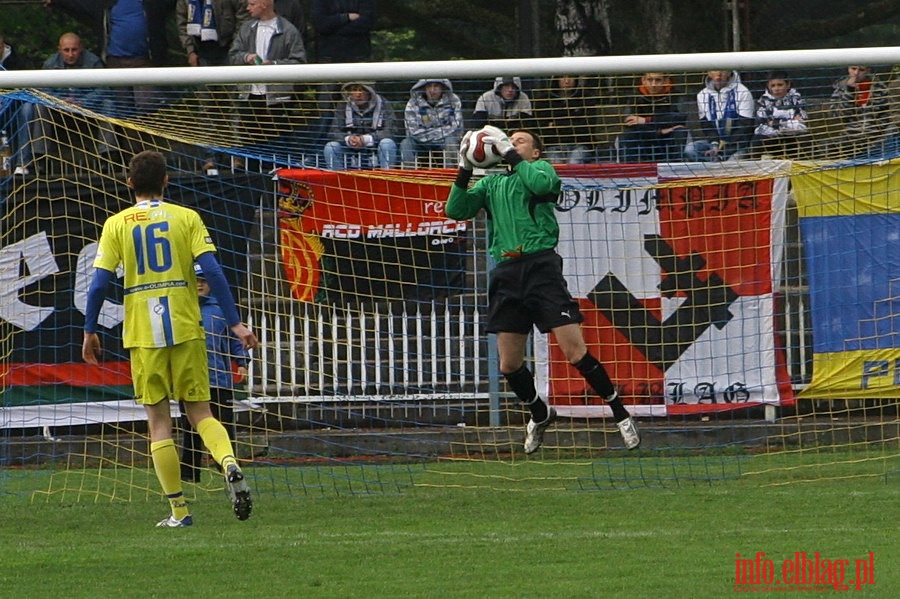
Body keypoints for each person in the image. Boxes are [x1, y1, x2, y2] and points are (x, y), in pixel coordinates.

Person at [82, 150, 259, 527]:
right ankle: (228, 463)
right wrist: (236, 324)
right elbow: (214, 270)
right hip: (185, 325)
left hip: (145, 334)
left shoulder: (116, 224)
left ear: (129, 183)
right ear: (167, 181)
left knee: (159, 422)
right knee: (200, 413)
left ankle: (179, 511)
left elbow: (99, 283)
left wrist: (90, 329)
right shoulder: (186, 217)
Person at [444, 126, 641, 454]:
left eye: (520, 141)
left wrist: (509, 153)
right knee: (509, 364)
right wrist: (465, 167)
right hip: (505, 273)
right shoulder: (490, 183)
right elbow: (456, 210)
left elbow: (542, 184)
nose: (512, 143)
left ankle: (620, 414)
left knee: (574, 351)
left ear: (535, 152)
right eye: (510, 140)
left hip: (540, 268)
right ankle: (539, 412)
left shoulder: (540, 170)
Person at [179, 263, 250, 483]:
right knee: (190, 429)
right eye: (195, 280)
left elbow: (233, 341)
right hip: (190, 379)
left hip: (219, 380)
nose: (199, 284)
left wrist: (242, 362)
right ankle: (190, 474)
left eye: (204, 280)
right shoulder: (181, 308)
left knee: (225, 425)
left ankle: (228, 468)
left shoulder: (220, 310)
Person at [43, 0, 174, 114]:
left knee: (148, 106)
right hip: (114, 62)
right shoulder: (106, 3)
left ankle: (148, 142)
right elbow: (80, 5)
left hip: (143, 61)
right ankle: (126, 142)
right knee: (122, 109)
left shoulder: (152, 2)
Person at [15, 33, 116, 176]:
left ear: (81, 48)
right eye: (66, 50)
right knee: (39, 107)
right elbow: (44, 90)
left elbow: (103, 89)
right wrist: (60, 101)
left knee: (108, 104)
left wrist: (83, 102)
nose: (70, 54)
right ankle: (40, 158)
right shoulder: (50, 64)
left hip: (88, 108)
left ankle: (107, 157)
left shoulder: (94, 62)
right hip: (58, 109)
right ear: (59, 49)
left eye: (74, 50)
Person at [228, 0, 307, 171]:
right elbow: (233, 55)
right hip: (249, 96)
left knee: (277, 146)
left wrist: (275, 65)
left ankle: (279, 187)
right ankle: (253, 186)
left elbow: (299, 61)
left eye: (252, 4)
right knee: (251, 145)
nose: (247, 8)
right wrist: (245, 58)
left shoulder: (288, 30)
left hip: (277, 99)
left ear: (264, 4)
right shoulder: (246, 29)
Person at [176, 0, 250, 172]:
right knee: (207, 108)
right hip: (202, 54)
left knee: (233, 107)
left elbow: (242, 18)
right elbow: (182, 23)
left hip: (227, 51)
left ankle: (236, 155)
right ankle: (210, 157)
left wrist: (235, 49)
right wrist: (190, 51)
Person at [683, 69, 755, 162]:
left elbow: (745, 127)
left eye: (723, 70)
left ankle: (718, 161)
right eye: (715, 70)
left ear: (729, 73)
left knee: (732, 163)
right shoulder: (702, 95)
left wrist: (722, 152)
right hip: (716, 144)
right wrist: (714, 145)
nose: (719, 74)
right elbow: (706, 125)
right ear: (709, 73)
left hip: (737, 145)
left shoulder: (743, 92)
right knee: (690, 150)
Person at [323, 81, 397, 169]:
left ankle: (386, 180)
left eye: (363, 90)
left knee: (387, 143)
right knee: (331, 147)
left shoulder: (383, 104)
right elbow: (333, 131)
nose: (358, 94)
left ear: (370, 92)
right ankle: (337, 181)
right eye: (354, 90)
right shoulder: (343, 105)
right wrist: (349, 139)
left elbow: (391, 131)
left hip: (375, 147)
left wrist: (365, 139)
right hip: (350, 148)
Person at [617, 72, 687, 163]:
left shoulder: (676, 96)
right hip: (645, 137)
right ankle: (628, 171)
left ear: (666, 81)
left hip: (668, 139)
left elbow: (679, 118)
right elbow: (630, 123)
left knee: (680, 132)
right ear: (643, 81)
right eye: (650, 80)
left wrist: (646, 120)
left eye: (658, 80)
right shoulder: (635, 97)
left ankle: (676, 169)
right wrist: (660, 131)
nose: (653, 84)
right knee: (627, 135)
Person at [828, 65, 893, 159]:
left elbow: (887, 113)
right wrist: (850, 92)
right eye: (853, 69)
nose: (856, 73)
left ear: (867, 71)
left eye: (861, 70)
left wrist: (876, 130)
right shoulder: (841, 88)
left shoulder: (880, 88)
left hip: (877, 136)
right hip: (849, 136)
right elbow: (836, 115)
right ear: (848, 69)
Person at [531, 74, 595, 164]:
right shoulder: (544, 101)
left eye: (570, 77)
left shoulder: (586, 98)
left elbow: (587, 128)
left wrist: (556, 124)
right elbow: (542, 129)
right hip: (553, 146)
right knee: (557, 165)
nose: (567, 81)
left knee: (574, 162)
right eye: (562, 77)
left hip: (580, 146)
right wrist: (573, 123)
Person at [400, 78, 463, 169]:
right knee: (406, 143)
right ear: (424, 87)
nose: (432, 90)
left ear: (442, 87)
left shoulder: (454, 100)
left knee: (451, 141)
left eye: (436, 86)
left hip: (445, 141)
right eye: (429, 86)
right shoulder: (412, 103)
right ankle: (409, 177)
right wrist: (438, 133)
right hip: (420, 142)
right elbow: (413, 130)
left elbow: (455, 127)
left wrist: (430, 133)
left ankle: (452, 176)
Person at [750, 70, 809, 159]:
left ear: (788, 84)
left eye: (780, 85)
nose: (776, 88)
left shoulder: (797, 100)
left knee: (805, 139)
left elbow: (802, 126)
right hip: (772, 141)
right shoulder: (763, 102)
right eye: (773, 85)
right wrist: (790, 123)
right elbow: (759, 129)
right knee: (757, 140)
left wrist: (774, 123)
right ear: (768, 86)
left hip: (793, 140)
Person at [310, 0, 376, 64]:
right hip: (329, 57)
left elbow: (366, 23)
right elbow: (321, 24)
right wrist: (346, 17)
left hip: (358, 56)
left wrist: (333, 30)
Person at [471, 76, 536, 132]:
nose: (510, 89)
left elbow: (526, 126)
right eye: (506, 85)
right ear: (499, 87)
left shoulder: (523, 98)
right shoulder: (485, 98)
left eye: (514, 86)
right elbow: (479, 126)